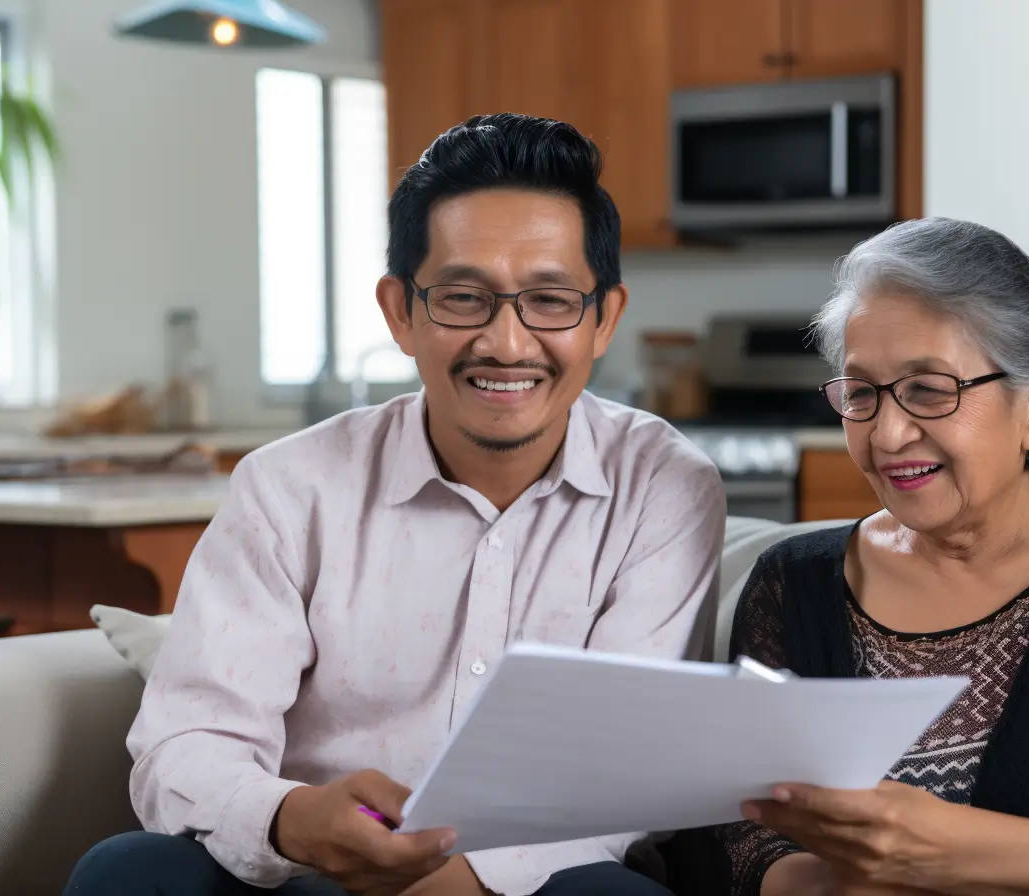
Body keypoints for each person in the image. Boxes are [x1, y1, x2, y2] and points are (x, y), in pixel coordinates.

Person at [63, 113, 726, 896]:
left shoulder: (665, 487)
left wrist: (451, 880)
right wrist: (292, 820)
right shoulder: (288, 486)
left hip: (540, 877)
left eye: (550, 301)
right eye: (462, 297)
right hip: (303, 870)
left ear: (604, 318)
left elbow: (624, 768)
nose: (507, 345)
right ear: (400, 311)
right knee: (126, 873)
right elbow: (189, 741)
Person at [665, 217, 1029, 896]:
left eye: (929, 388)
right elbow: (737, 848)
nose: (888, 433)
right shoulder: (792, 582)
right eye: (861, 393)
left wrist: (941, 848)